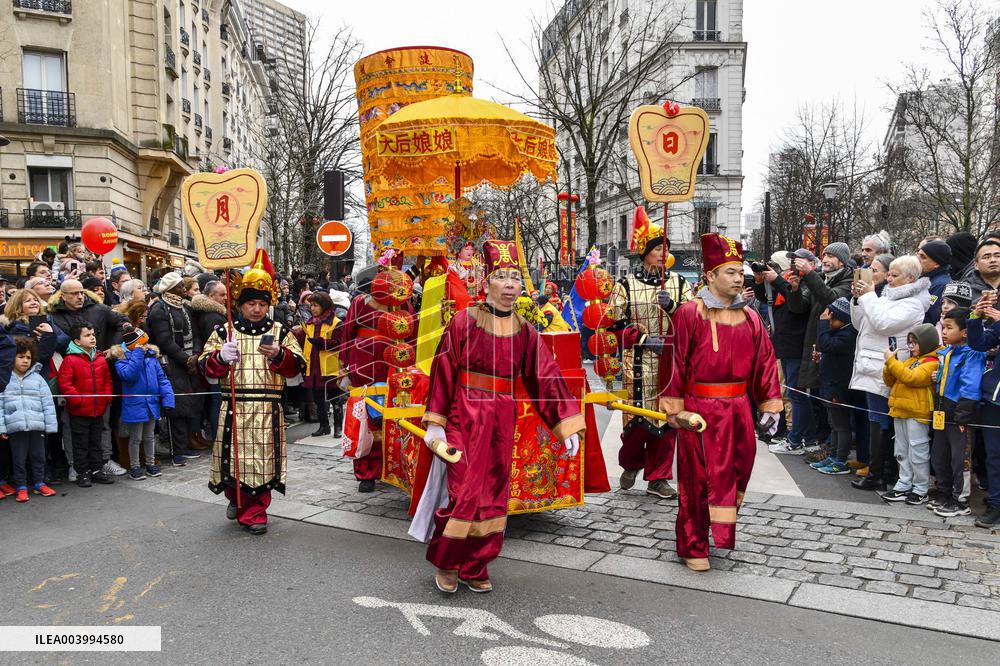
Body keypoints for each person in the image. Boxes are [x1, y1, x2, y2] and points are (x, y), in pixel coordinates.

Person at [416, 239, 584, 593]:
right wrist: (436, 424)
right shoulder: (464, 322)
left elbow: (546, 377)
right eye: (502, 277)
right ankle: (448, 562)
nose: (511, 285)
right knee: (464, 490)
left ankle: (477, 564)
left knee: (493, 492)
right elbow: (443, 370)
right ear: (487, 282)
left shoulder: (526, 330)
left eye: (515, 278)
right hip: (465, 413)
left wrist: (566, 423)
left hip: (501, 418)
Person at [660, 234, 782, 572]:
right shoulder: (688, 314)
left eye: (740, 272)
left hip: (738, 409)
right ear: (710, 276)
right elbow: (675, 362)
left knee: (736, 473)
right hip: (699, 410)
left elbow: (765, 363)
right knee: (697, 480)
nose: (738, 278)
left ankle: (718, 529)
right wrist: (675, 409)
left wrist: (771, 404)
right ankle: (692, 544)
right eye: (729, 272)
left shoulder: (751, 319)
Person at [199, 250, 305, 535]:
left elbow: (297, 368)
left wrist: (280, 355)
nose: (256, 309)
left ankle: (255, 512)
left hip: (267, 410)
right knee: (232, 460)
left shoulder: (281, 332)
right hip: (233, 407)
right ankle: (235, 498)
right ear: (241, 306)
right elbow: (205, 368)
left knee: (262, 462)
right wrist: (220, 357)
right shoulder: (224, 333)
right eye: (251, 304)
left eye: (261, 304)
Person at [606, 209, 692, 498]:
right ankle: (631, 463)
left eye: (665, 247)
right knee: (636, 421)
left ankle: (658, 477)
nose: (662, 252)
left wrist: (673, 308)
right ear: (644, 253)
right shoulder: (625, 286)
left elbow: (694, 323)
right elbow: (612, 327)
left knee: (667, 421)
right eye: (657, 247)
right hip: (638, 364)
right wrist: (641, 338)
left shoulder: (680, 285)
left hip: (671, 364)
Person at [848, 255, 930, 491]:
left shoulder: (913, 303)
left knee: (884, 421)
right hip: (872, 365)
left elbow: (883, 323)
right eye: (889, 274)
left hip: (889, 367)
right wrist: (858, 300)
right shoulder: (884, 296)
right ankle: (879, 471)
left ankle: (882, 472)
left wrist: (869, 297)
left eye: (895, 275)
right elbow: (861, 324)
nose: (889, 279)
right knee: (876, 419)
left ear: (911, 278)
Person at [341, 254, 417, 492]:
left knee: (394, 414)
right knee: (366, 416)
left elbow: (412, 335)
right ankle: (366, 472)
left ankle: (393, 466)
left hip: (394, 363)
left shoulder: (403, 304)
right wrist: (345, 364)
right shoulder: (360, 303)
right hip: (363, 363)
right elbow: (347, 334)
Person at [929, 309, 984, 518]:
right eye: (943, 327)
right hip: (943, 408)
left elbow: (970, 385)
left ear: (965, 332)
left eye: (949, 328)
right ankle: (944, 491)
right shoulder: (947, 352)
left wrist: (963, 414)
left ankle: (960, 500)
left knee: (960, 458)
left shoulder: (972, 352)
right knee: (939, 455)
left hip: (960, 411)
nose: (943, 332)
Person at [147, 271, 205, 463]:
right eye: (180, 286)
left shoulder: (184, 307)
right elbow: (164, 340)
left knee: (190, 406)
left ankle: (186, 445)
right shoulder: (159, 309)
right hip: (171, 365)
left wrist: (195, 355)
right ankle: (176, 451)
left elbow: (195, 334)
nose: (183, 289)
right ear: (171, 288)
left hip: (188, 362)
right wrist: (184, 359)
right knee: (176, 409)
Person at [880, 324, 941, 504]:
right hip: (901, 411)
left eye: (915, 342)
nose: (911, 346)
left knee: (918, 450)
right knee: (901, 450)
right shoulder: (908, 361)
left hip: (917, 413)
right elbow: (890, 380)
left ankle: (921, 488)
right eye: (909, 342)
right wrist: (890, 363)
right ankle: (903, 483)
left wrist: (892, 362)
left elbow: (911, 378)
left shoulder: (932, 362)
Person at [758, 250, 812, 451]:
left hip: (796, 346)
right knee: (791, 393)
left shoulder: (802, 282)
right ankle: (806, 437)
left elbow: (797, 305)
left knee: (796, 395)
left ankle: (796, 439)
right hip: (785, 346)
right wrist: (759, 281)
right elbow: (765, 299)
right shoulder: (784, 283)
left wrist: (779, 280)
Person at [0, 337, 59, 502]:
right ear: (11, 357)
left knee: (39, 457)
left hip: (37, 427)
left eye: (28, 357)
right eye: (20, 357)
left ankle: (39, 483)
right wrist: (2, 427)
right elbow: (0, 406)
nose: (25, 361)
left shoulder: (38, 379)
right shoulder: (4, 380)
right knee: (19, 459)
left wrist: (50, 426)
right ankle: (21, 487)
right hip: (15, 428)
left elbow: (48, 404)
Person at [58, 323, 114, 488]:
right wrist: (78, 401)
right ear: (77, 340)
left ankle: (96, 469)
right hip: (79, 411)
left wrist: (105, 398)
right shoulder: (70, 360)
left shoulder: (99, 357)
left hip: (98, 409)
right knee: (80, 443)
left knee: (96, 442)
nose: (92, 338)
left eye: (93, 335)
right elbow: (66, 384)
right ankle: (82, 472)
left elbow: (107, 381)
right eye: (87, 335)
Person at [115, 325, 174, 480]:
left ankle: (150, 463)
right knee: (136, 437)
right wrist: (137, 355)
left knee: (149, 436)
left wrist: (168, 399)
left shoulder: (152, 359)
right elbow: (130, 375)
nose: (147, 346)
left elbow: (162, 379)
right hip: (135, 404)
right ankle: (134, 466)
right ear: (136, 346)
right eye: (144, 343)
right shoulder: (121, 361)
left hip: (151, 403)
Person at [810, 297, 858, 475]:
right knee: (834, 423)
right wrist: (820, 357)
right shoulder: (836, 333)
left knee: (841, 425)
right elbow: (827, 349)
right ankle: (833, 455)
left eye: (832, 318)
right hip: (829, 385)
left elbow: (827, 346)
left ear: (842, 319)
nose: (829, 321)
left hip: (839, 387)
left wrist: (822, 325)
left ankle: (841, 460)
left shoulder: (848, 334)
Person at [293, 291, 345, 438]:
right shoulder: (309, 323)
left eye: (315, 305)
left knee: (336, 398)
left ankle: (338, 427)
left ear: (324, 306)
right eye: (311, 306)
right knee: (318, 399)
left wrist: (322, 343)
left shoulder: (336, 323)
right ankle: (324, 426)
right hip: (314, 367)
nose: (312, 309)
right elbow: (303, 339)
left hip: (330, 367)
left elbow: (340, 344)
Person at [968, 296, 1000, 528]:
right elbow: (979, 344)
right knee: (994, 455)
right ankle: (996, 503)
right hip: (994, 399)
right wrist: (975, 318)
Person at [917, 239, 953, 324]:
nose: (917, 259)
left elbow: (930, 317)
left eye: (923, 257)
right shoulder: (926, 279)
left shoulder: (941, 285)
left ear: (936, 263)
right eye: (918, 255)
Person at [967, 238, 1000, 304]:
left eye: (998, 256)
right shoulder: (965, 290)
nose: (993, 260)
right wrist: (976, 311)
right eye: (986, 257)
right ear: (976, 265)